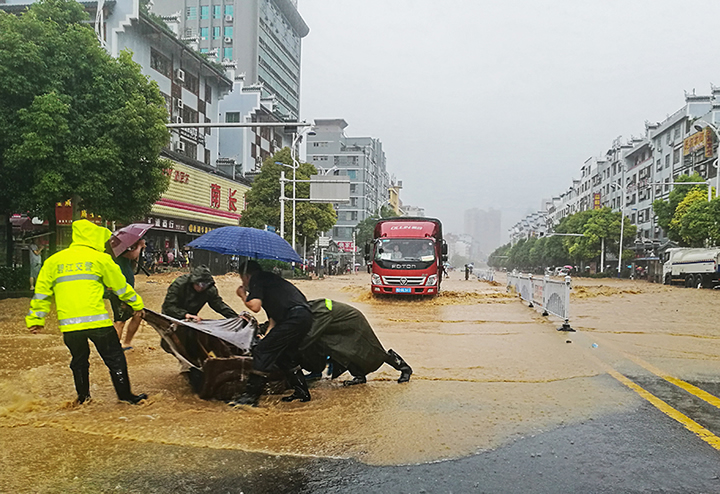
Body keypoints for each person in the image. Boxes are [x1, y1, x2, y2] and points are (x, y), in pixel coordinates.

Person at [26, 220, 147, 405]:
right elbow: (121, 288)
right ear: (97, 239)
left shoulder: (53, 261)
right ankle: (126, 398)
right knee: (115, 359)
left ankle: (83, 399)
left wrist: (36, 319)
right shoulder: (101, 259)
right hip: (97, 322)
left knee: (79, 361)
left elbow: (41, 294)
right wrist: (138, 304)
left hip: (69, 325)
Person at [231, 260, 313, 407]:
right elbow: (273, 319)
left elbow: (255, 306)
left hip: (294, 318)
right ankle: (301, 392)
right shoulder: (270, 280)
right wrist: (267, 337)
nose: (243, 282)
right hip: (304, 317)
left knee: (262, 351)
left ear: (246, 276)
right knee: (285, 355)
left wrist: (242, 295)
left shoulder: (256, 278)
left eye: (242, 278)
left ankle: (249, 399)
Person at [301, 299, 412, 385]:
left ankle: (405, 369)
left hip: (354, 324)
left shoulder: (319, 312)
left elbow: (310, 336)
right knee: (344, 352)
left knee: (373, 350)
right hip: (340, 327)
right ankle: (359, 376)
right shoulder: (309, 308)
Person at [161, 265, 238, 322]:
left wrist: (236, 318)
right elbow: (168, 306)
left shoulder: (209, 290)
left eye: (204, 285)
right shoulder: (179, 285)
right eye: (199, 284)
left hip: (192, 317)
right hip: (172, 315)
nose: (201, 287)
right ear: (193, 281)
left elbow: (219, 305)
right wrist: (185, 315)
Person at [109, 239, 145, 350]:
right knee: (120, 321)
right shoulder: (118, 249)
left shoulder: (126, 252)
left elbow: (133, 265)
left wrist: (138, 251)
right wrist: (139, 246)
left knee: (138, 314)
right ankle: (114, 348)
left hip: (127, 290)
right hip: (119, 290)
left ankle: (126, 343)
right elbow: (131, 255)